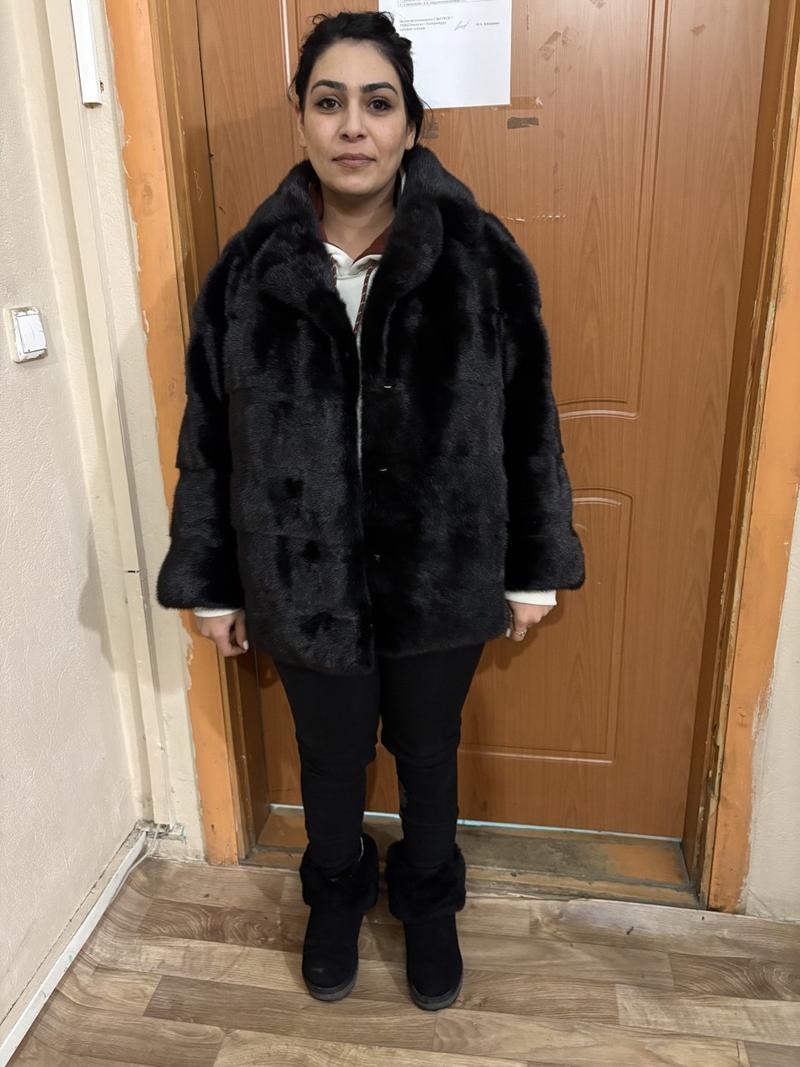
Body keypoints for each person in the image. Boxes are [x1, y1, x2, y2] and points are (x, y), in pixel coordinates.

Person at [156, 11, 585, 1012]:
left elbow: (529, 418)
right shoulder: (248, 270)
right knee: (331, 755)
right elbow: (209, 435)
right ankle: (336, 890)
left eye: (377, 103)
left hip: (443, 566)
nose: (353, 126)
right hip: (301, 577)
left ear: (410, 122)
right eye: (329, 101)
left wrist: (533, 563)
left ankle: (427, 897)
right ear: (302, 118)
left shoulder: (480, 254)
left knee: (428, 748)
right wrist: (213, 582)